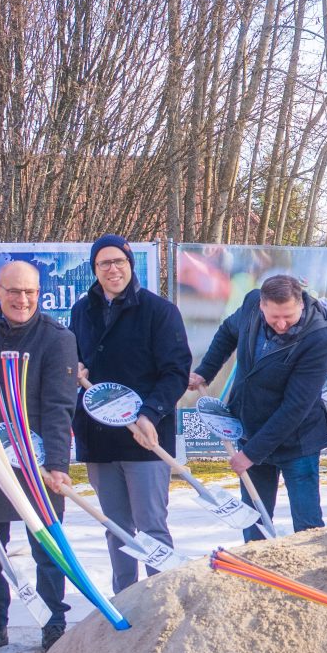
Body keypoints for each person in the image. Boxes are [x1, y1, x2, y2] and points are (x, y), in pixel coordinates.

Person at [0, 260, 77, 653]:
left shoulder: (58, 338)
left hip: (35, 459)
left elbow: (60, 405)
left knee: (46, 546)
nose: (22, 300)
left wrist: (57, 463)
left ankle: (53, 621)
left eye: (31, 292)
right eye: (14, 291)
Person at [71, 235, 191, 589]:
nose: (112, 269)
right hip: (99, 438)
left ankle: (161, 600)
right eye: (104, 263)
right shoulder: (82, 311)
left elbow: (176, 372)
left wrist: (150, 413)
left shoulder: (159, 311)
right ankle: (124, 599)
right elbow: (73, 358)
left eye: (119, 262)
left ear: (130, 264)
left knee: (151, 525)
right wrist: (74, 370)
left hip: (145, 436)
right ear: (95, 269)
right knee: (116, 527)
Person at [192, 273, 327, 539]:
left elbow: (295, 407)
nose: (281, 324)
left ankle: (312, 576)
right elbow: (227, 332)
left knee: (308, 527)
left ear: (301, 305)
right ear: (262, 306)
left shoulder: (319, 339)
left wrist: (250, 454)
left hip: (297, 441)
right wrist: (205, 372)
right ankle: (257, 576)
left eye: (288, 317)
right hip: (251, 429)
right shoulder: (250, 306)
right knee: (255, 522)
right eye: (274, 317)